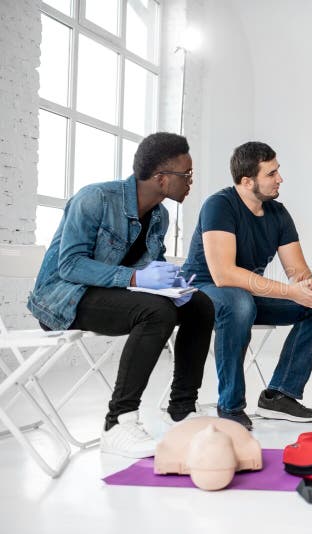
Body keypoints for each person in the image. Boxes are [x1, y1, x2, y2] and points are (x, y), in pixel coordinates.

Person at [28, 132, 215, 458]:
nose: (190, 182)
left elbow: (146, 268)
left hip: (111, 293)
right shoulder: (95, 199)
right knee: (157, 312)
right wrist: (137, 276)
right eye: (186, 175)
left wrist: (172, 283)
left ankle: (182, 410)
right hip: (63, 297)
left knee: (199, 305)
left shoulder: (160, 215)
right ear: (161, 178)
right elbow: (70, 265)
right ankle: (118, 423)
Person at [182, 141, 312, 431]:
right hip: (202, 291)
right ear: (247, 181)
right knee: (239, 303)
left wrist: (307, 289)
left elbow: (297, 273)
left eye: (278, 171)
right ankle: (230, 405)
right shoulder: (219, 205)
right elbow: (224, 275)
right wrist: (290, 292)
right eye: (271, 174)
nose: (280, 179)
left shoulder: (277, 213)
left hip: (246, 293)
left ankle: (280, 395)